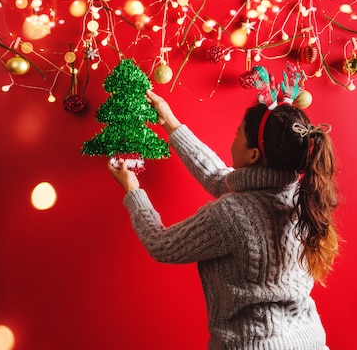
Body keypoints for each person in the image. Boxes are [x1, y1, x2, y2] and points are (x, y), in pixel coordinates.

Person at [107, 89, 340, 349]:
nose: (234, 139)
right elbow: (222, 179)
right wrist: (171, 123)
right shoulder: (304, 197)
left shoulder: (233, 213)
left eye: (237, 134)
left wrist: (133, 192)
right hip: (309, 341)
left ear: (252, 155)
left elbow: (161, 244)